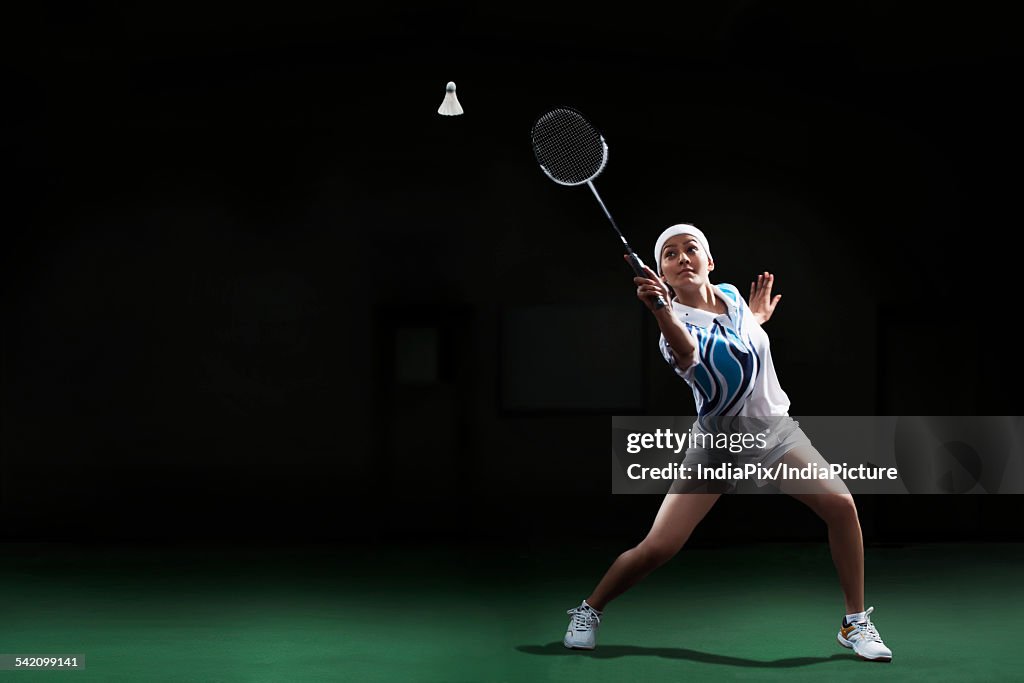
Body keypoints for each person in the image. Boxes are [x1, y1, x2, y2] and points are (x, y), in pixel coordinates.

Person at [561, 224, 893, 663]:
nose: (682, 258)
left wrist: (756, 320)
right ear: (660, 273)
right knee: (658, 548)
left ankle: (854, 624)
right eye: (670, 255)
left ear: (709, 261)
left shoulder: (734, 297)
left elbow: (738, 341)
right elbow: (689, 354)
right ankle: (589, 610)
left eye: (690, 249)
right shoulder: (672, 328)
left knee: (842, 506)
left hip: (775, 433)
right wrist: (661, 309)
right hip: (718, 445)